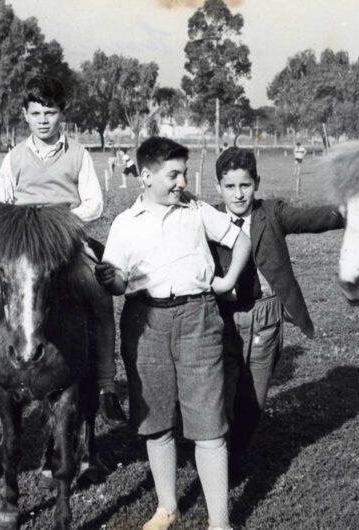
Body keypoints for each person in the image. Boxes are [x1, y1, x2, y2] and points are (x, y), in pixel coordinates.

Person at [0, 76, 128, 435]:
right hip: (22, 245)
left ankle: (108, 388)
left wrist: (58, 225)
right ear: (25, 116)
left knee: (101, 302)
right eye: (36, 113)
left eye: (50, 112)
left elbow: (94, 202)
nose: (44, 120)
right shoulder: (15, 156)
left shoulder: (79, 153)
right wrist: (22, 228)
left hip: (64, 244)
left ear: (62, 114)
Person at [95, 137, 251, 530]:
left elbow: (240, 239)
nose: (182, 182)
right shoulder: (124, 224)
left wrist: (227, 279)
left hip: (199, 320)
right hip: (144, 323)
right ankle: (168, 508)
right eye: (174, 174)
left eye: (184, 173)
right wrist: (113, 278)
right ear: (146, 177)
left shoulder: (197, 210)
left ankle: (220, 523)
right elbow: (115, 282)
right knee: (156, 421)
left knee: (209, 425)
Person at [210, 147, 344, 480]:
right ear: (218, 188)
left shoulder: (272, 212)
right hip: (222, 318)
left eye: (245, 185)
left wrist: (345, 212)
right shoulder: (207, 219)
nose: (238, 194)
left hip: (265, 318)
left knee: (253, 399)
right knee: (220, 394)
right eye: (230, 187)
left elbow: (310, 218)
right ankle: (215, 458)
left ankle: (234, 456)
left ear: (257, 183)